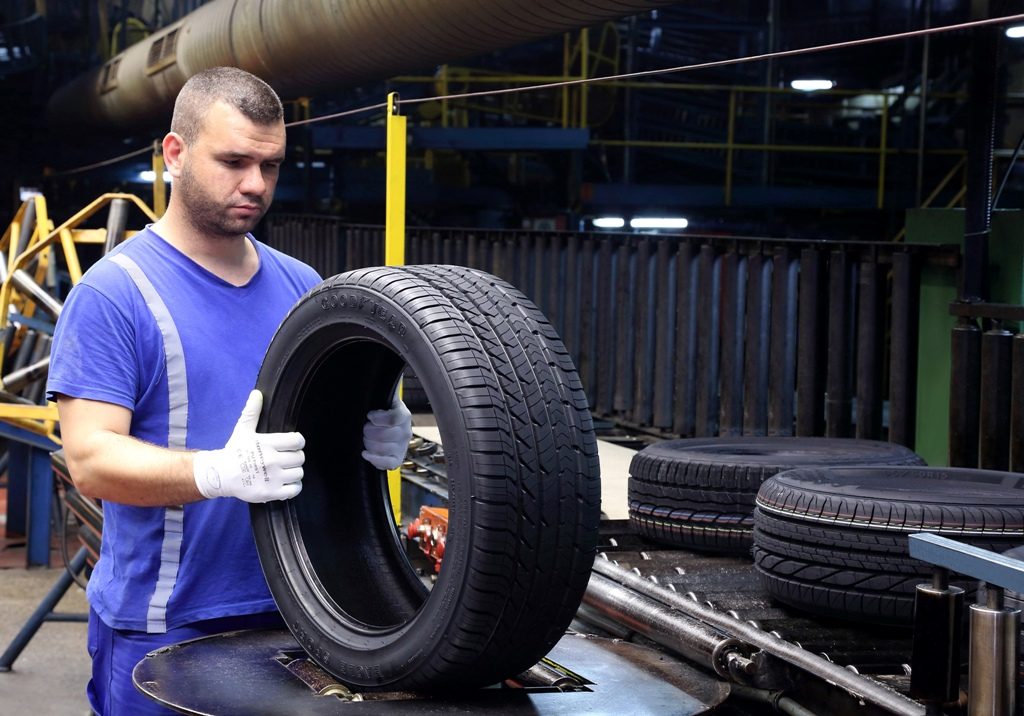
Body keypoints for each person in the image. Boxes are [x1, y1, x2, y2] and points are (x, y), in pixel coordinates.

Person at [46, 66, 412, 715]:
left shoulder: (305, 288)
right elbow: (91, 460)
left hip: (301, 618)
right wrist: (217, 472)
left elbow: (330, 428)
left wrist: (383, 428)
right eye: (234, 161)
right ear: (176, 154)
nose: (255, 184)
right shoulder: (115, 293)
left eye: (270, 165)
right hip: (165, 629)